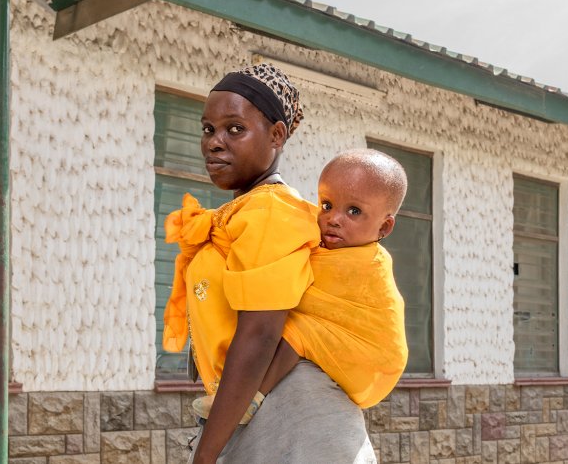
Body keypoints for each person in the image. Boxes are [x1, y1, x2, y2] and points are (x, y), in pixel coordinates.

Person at [162, 64, 377, 463]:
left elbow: (260, 334)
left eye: (234, 129)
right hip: (266, 404)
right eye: (207, 129)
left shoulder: (272, 211)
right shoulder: (245, 211)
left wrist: (205, 455)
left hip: (298, 415)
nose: (214, 142)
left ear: (276, 135)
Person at [193, 149, 409, 423]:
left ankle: (250, 398)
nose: (334, 218)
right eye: (327, 204)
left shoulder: (367, 264)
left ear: (384, 228)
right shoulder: (322, 244)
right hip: (350, 353)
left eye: (354, 211)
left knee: (297, 330)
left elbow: (305, 294)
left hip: (372, 357)